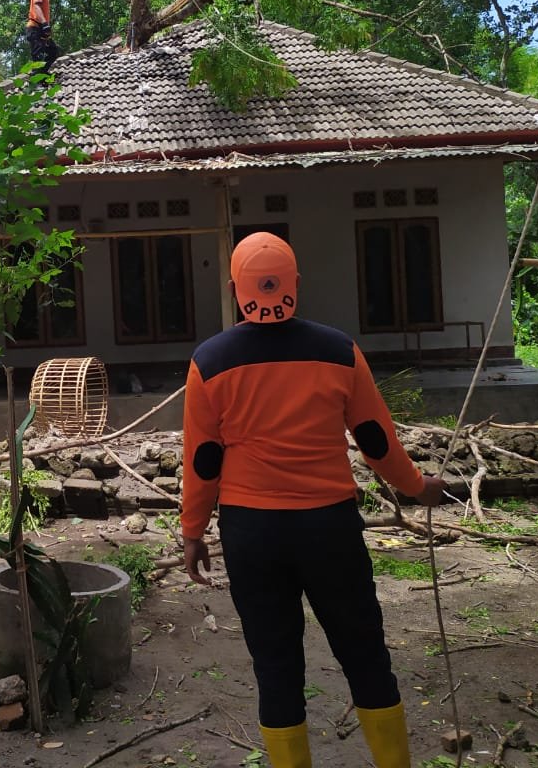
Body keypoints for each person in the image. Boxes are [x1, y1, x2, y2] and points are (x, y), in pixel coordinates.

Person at [181, 232, 445, 768]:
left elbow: (203, 462)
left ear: (236, 290)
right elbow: (376, 441)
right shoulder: (339, 351)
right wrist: (418, 487)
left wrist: (192, 532)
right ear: (295, 284)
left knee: (276, 667)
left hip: (251, 533)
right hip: (330, 529)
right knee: (365, 654)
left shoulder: (209, 362)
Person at [24, 0, 61, 67]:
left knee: (53, 51)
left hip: (41, 31)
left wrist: (46, 30)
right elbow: (37, 6)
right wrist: (44, 23)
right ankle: (37, 78)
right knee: (38, 56)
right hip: (35, 29)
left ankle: (43, 74)